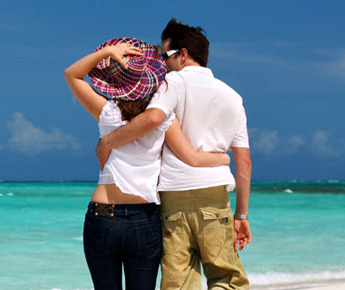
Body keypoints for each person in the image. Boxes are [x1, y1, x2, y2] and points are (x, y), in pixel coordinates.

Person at [95, 19, 252, 289]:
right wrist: (241, 216)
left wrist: (109, 140)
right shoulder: (233, 97)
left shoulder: (171, 83)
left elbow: (153, 118)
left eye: (163, 55)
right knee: (226, 277)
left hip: (173, 196)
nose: (161, 63)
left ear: (183, 55)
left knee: (178, 282)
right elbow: (244, 161)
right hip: (214, 195)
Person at [64, 37, 230, 289]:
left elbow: (72, 75)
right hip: (144, 218)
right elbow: (192, 158)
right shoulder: (163, 118)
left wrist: (108, 52)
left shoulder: (107, 112)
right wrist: (223, 157)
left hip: (103, 214)